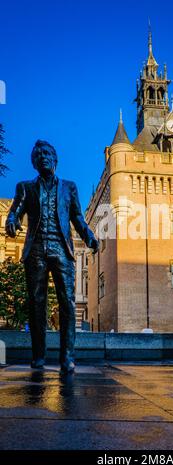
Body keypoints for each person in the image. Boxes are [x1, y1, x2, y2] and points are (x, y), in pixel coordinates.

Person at [6, 140, 99, 373]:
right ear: (34, 162)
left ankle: (67, 357)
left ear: (55, 160)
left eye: (47, 153)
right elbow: (15, 212)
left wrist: (89, 237)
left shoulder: (69, 187)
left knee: (67, 302)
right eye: (38, 155)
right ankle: (38, 357)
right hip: (35, 249)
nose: (43, 157)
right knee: (36, 304)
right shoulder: (25, 187)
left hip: (62, 249)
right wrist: (11, 221)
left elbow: (78, 218)